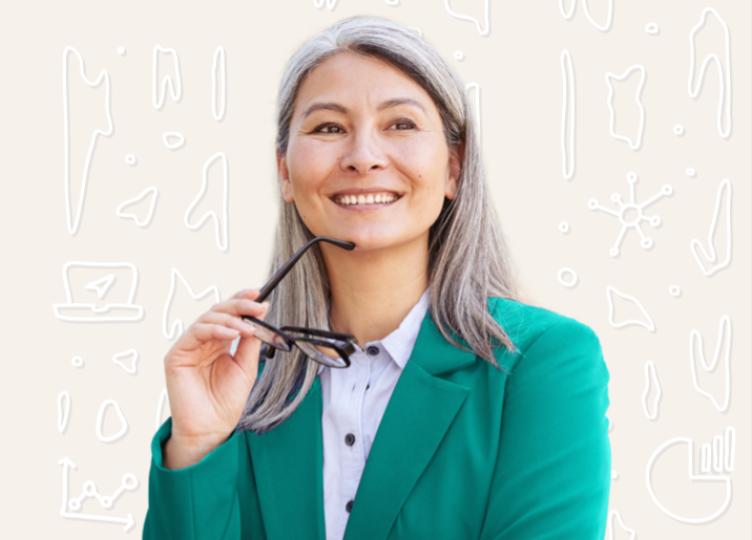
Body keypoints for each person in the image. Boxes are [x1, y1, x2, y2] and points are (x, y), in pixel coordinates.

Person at [142, 14, 611, 540]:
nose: (363, 157)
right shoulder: (243, 382)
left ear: (453, 168)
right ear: (284, 173)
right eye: (328, 128)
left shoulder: (540, 362)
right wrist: (200, 442)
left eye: (401, 125)